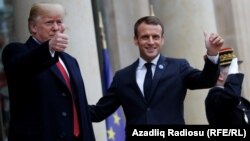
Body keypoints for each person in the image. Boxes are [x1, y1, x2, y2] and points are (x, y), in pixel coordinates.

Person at [89, 16, 224, 132]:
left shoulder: (178, 67)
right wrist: (70, 99)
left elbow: (206, 80)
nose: (151, 42)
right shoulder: (122, 77)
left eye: (155, 37)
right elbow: (99, 112)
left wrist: (212, 54)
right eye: (145, 37)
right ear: (135, 40)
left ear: (162, 40)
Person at [1, 3, 95, 141]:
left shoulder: (70, 61)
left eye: (59, 22)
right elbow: (24, 66)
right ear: (33, 27)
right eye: (49, 22)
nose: (56, 28)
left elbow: (75, 105)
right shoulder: (15, 51)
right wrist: (48, 47)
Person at [205, 47, 250, 125]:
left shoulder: (236, 97)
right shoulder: (215, 97)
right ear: (220, 76)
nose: (237, 73)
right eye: (233, 70)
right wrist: (233, 75)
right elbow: (232, 96)